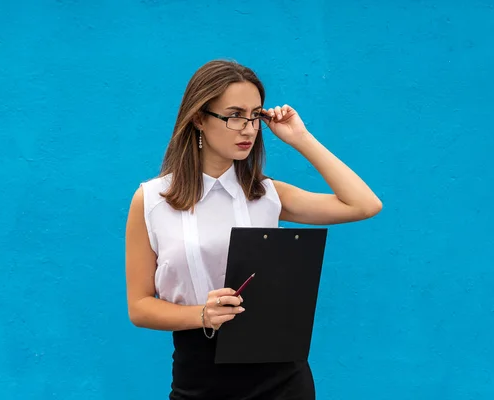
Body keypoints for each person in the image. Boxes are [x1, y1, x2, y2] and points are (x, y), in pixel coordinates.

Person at [125, 60, 382, 400]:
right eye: (234, 115)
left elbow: (364, 205)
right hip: (199, 376)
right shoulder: (152, 201)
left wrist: (301, 139)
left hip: (281, 377)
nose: (247, 128)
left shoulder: (267, 194)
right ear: (199, 118)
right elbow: (140, 306)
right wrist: (202, 313)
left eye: (255, 116)